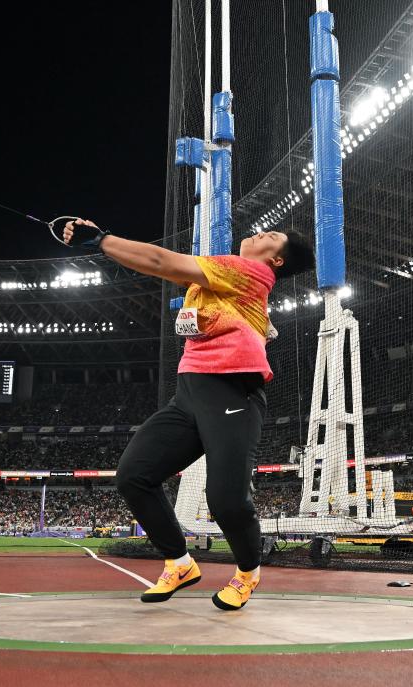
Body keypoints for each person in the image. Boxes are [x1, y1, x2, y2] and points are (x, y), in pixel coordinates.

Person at [63, 218, 315, 610]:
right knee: (134, 476)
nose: (261, 232)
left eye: (272, 236)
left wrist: (101, 240)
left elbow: (160, 261)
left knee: (226, 500)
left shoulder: (248, 271)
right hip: (189, 394)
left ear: (276, 261)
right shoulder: (220, 276)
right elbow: (161, 268)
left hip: (233, 392)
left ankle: (248, 573)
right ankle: (179, 563)